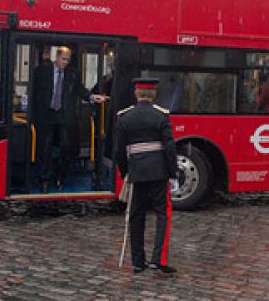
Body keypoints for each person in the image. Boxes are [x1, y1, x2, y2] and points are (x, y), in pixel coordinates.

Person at [115, 77, 178, 275]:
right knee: (163, 214)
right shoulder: (161, 116)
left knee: (136, 217)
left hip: (137, 172)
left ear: (136, 94)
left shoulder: (125, 117)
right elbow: (169, 148)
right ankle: (158, 259)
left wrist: (127, 173)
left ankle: (137, 262)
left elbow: (119, 152)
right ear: (154, 95)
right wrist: (172, 173)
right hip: (159, 173)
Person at [31, 46, 107, 193]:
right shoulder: (41, 71)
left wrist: (91, 97)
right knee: (44, 148)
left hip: (65, 114)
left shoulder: (73, 74)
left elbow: (80, 89)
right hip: (46, 114)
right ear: (56, 57)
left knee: (66, 147)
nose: (66, 62)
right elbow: (34, 91)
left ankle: (61, 177)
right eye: (63, 59)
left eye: (68, 60)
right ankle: (44, 179)